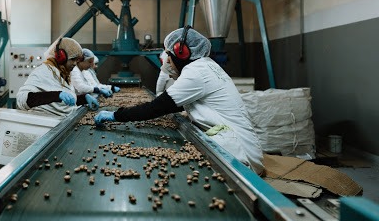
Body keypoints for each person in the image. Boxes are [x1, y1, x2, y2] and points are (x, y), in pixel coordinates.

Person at [94, 26, 264, 174]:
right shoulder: (205, 65)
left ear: (181, 53)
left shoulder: (196, 72)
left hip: (238, 155)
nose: (167, 61)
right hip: (239, 144)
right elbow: (174, 105)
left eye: (168, 55)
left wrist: (116, 116)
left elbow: (157, 107)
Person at [16, 37, 99, 117]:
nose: (75, 63)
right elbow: (22, 99)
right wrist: (56, 95)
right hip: (45, 122)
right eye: (72, 59)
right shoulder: (43, 71)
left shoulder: (64, 73)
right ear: (61, 57)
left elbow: (64, 103)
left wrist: (84, 98)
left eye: (76, 60)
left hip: (61, 120)